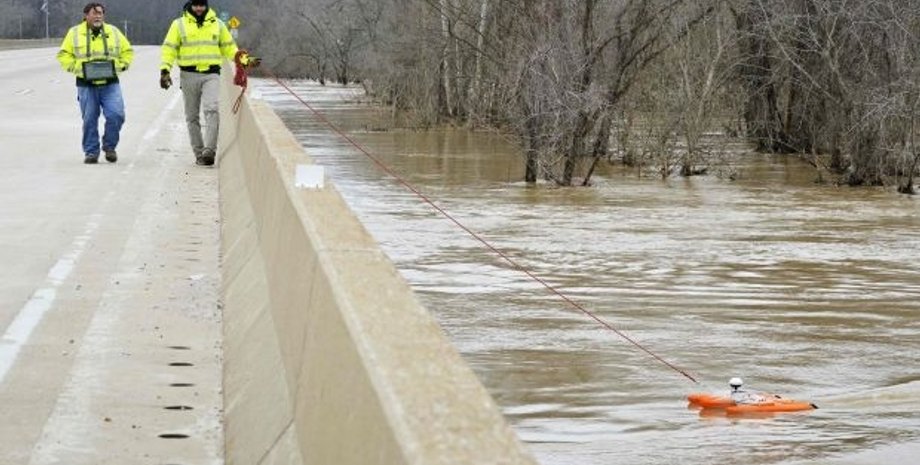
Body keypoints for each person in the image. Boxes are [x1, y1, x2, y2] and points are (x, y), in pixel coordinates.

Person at [159, 0, 258, 166]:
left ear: (206, 6)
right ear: (190, 5)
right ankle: (199, 153)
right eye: (196, 5)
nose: (199, 8)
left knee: (211, 109)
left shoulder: (218, 25)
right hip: (188, 75)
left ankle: (209, 150)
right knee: (192, 116)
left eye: (202, 5)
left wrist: (246, 60)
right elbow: (169, 49)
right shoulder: (179, 24)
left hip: (211, 75)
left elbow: (230, 49)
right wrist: (165, 70)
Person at [57, 2, 133, 164]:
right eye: (94, 13)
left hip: (110, 83)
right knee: (90, 119)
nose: (98, 16)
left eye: (101, 13)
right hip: (86, 85)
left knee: (116, 115)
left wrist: (120, 66)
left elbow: (127, 51)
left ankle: (109, 146)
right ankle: (91, 152)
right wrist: (79, 69)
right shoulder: (74, 33)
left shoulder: (113, 31)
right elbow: (63, 55)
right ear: (86, 15)